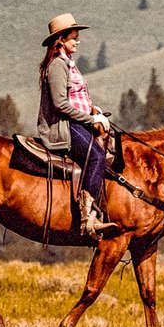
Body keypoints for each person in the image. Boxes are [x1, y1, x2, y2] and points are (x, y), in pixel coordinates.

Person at [36, 13, 119, 239]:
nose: (78, 42)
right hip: (62, 126)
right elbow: (60, 104)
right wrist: (91, 120)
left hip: (75, 120)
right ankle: (88, 216)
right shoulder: (57, 66)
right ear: (61, 40)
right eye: (74, 37)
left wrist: (94, 109)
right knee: (96, 157)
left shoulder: (68, 64)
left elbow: (76, 97)